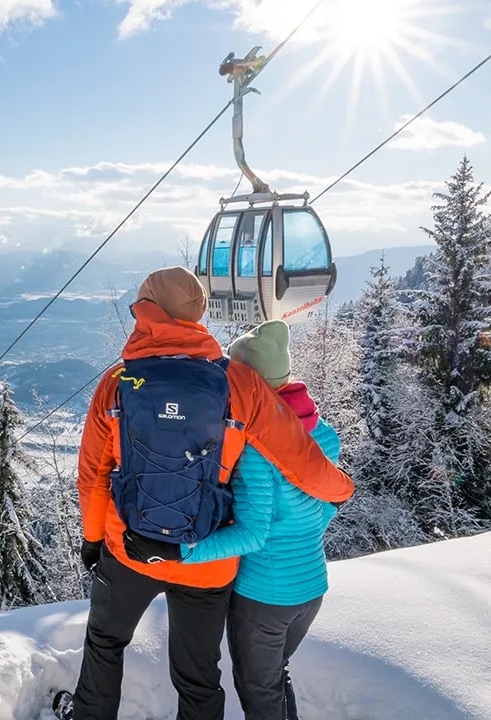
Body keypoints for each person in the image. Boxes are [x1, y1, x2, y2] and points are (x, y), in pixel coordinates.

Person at [55, 267, 354, 720]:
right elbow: (299, 458)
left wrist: (93, 539)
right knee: (198, 675)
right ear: (198, 314)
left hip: (129, 545)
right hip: (206, 556)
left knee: (105, 642)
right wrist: (342, 488)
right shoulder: (240, 383)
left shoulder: (116, 383)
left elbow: (93, 475)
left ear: (146, 312)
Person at [127, 320, 340, 720]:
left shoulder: (260, 450)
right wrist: (294, 534)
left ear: (250, 384)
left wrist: (179, 551)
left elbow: (252, 535)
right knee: (275, 679)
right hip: (311, 589)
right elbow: (327, 506)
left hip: (265, 596)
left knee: (259, 694)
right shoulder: (325, 435)